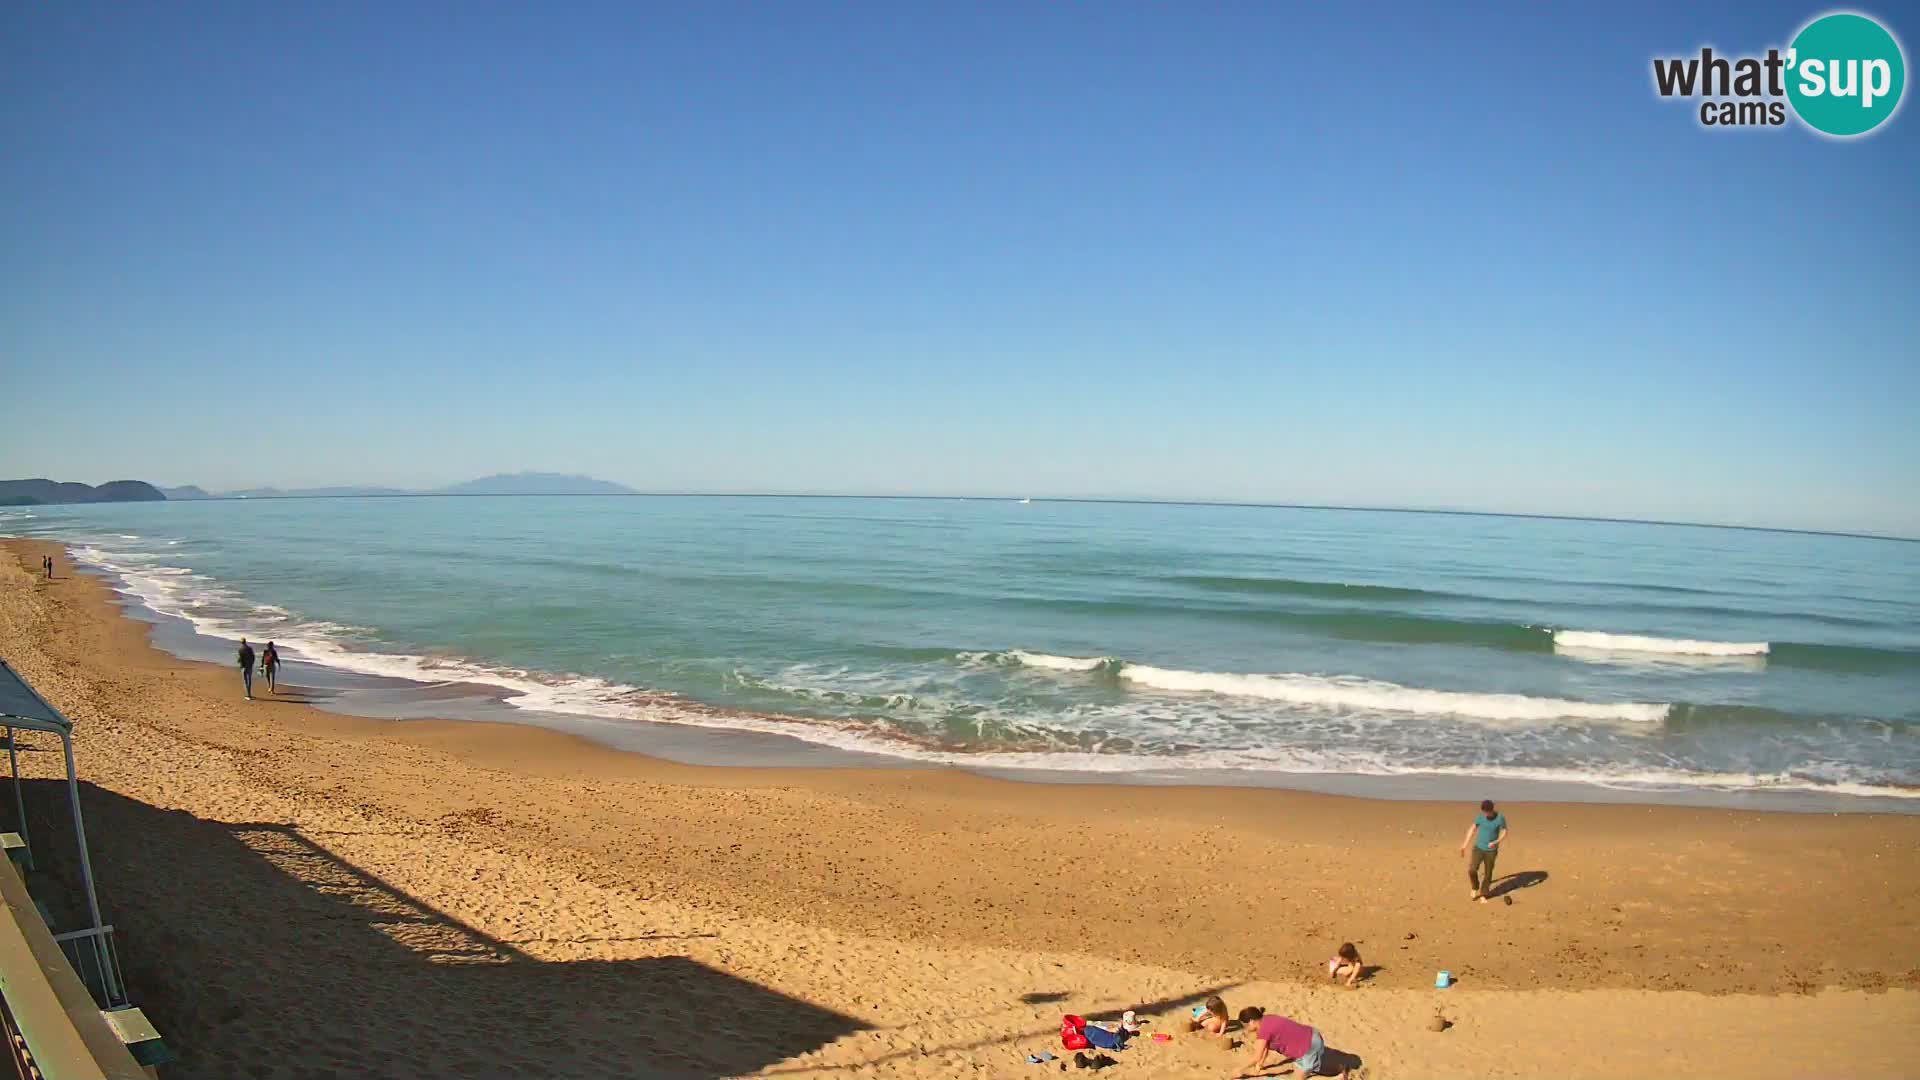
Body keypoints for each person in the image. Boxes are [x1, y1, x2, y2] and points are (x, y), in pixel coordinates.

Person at [1232, 1007, 1347, 1079]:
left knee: (1300, 1078)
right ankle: (1339, 1067)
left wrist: (1240, 1069)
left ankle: (1338, 1078)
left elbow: (1256, 1056)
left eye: (1245, 1025)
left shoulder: (1264, 1031)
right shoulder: (1266, 1019)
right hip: (1311, 1037)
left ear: (1251, 1022)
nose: (1245, 1028)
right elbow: (1265, 1048)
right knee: (1308, 1067)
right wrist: (1260, 1065)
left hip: (1309, 1047)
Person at [1459, 798, 1509, 902]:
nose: (1485, 814)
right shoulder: (1480, 817)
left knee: (1488, 873)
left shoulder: (1500, 818)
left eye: (1487, 812)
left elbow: (1505, 831)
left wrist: (1496, 842)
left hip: (1491, 851)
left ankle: (1483, 894)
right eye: (1484, 812)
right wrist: (1464, 845)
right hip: (1478, 848)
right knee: (1472, 870)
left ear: (1491, 810)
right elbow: (1472, 830)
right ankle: (1475, 886)